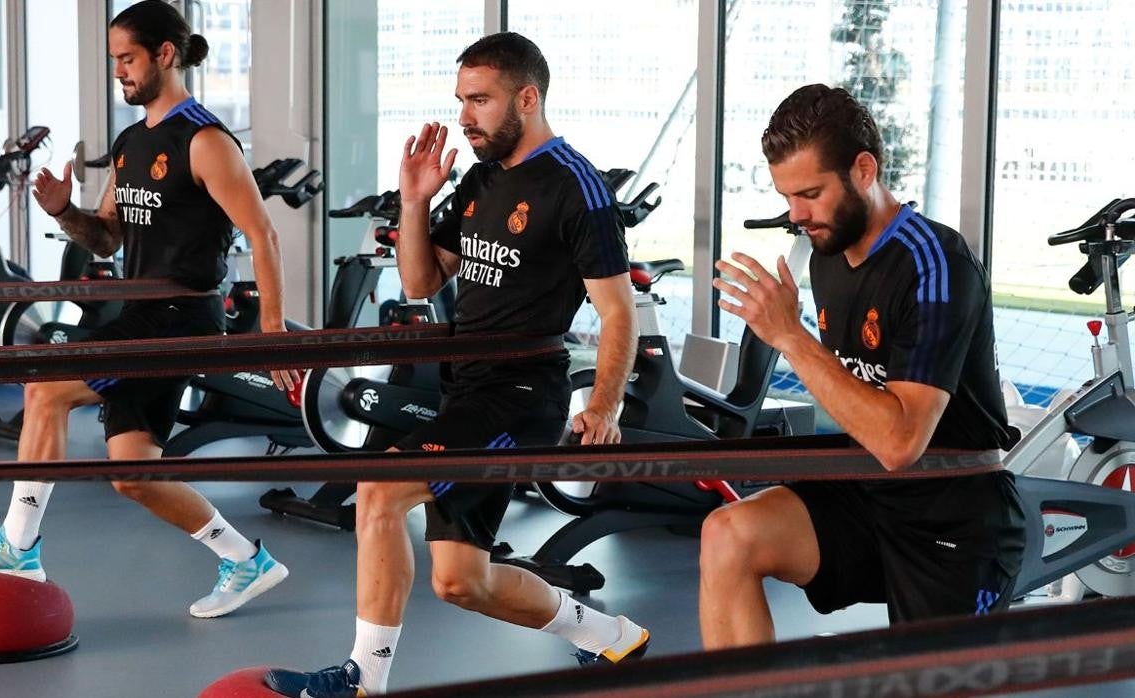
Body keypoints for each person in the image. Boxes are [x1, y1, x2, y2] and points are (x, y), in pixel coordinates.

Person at [265, 33, 649, 697]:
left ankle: (363, 682)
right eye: (460, 100)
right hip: (464, 388)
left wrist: (604, 405)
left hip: (519, 392)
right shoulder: (482, 176)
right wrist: (415, 201)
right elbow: (419, 280)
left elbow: (618, 312)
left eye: (481, 100)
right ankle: (608, 636)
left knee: (381, 492)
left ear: (526, 99)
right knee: (460, 582)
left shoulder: (576, 187)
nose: (465, 115)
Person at [0, 0, 296, 619]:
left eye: (128, 58)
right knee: (133, 473)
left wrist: (274, 332)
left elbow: (263, 234)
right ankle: (246, 560)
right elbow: (107, 237)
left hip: (182, 312)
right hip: (142, 308)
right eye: (114, 60)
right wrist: (62, 211)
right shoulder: (130, 143)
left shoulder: (204, 140)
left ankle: (18, 546)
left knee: (44, 386)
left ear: (165, 55)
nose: (120, 71)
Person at [699, 84, 1025, 648]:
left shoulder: (935, 264)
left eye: (810, 194)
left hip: (955, 515)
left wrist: (790, 336)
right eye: (787, 196)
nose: (796, 215)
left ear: (864, 169)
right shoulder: (830, 252)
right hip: (868, 496)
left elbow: (900, 442)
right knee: (729, 534)